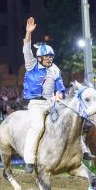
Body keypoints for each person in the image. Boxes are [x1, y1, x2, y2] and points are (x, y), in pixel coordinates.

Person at [22, 17, 65, 173]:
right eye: (46, 57)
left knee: (70, 120)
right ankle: (29, 160)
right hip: (36, 104)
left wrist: (60, 94)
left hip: (51, 102)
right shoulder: (31, 64)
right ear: (39, 58)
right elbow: (27, 48)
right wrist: (28, 33)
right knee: (38, 126)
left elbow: (60, 86)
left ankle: (81, 150)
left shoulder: (55, 69)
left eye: (51, 57)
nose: (49, 59)